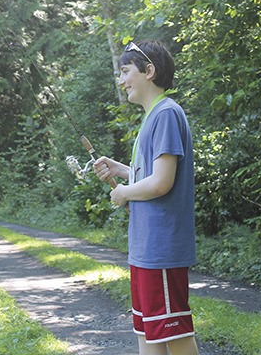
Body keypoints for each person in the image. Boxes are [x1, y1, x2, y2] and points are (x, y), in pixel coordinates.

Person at [93, 40, 199, 355]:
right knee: (147, 333)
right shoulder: (152, 116)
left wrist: (123, 193)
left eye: (126, 71)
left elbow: (161, 183)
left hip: (161, 248)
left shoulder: (166, 113)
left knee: (173, 333)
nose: (121, 79)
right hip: (145, 248)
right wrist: (122, 171)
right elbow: (150, 174)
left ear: (148, 71)